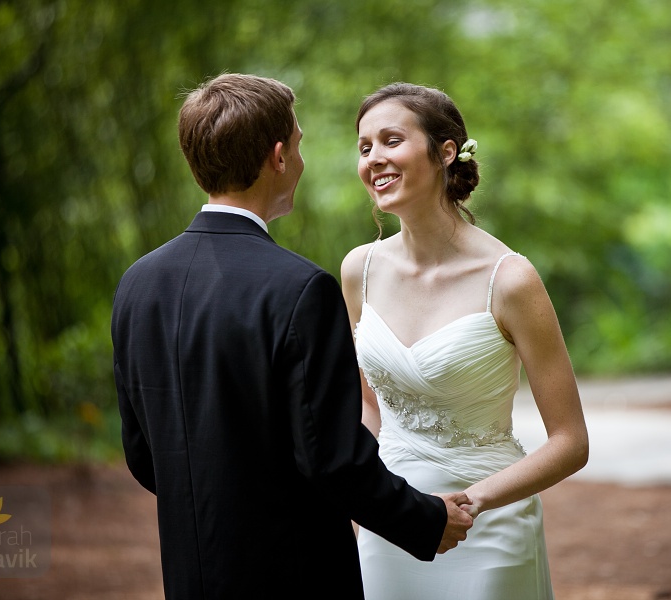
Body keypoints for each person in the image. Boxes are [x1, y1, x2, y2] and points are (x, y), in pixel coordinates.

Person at [111, 73, 473, 599]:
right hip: (295, 573)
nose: (301, 161)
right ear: (279, 156)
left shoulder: (137, 283)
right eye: (299, 145)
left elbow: (144, 454)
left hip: (190, 574)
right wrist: (425, 518)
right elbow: (332, 459)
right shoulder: (299, 289)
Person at [340, 82, 589, 599]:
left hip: (488, 525)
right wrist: (361, 498)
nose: (374, 159)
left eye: (390, 141)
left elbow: (570, 442)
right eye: (365, 148)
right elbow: (367, 404)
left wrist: (469, 503)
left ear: (445, 152)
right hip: (392, 522)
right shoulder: (358, 270)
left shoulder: (510, 279)